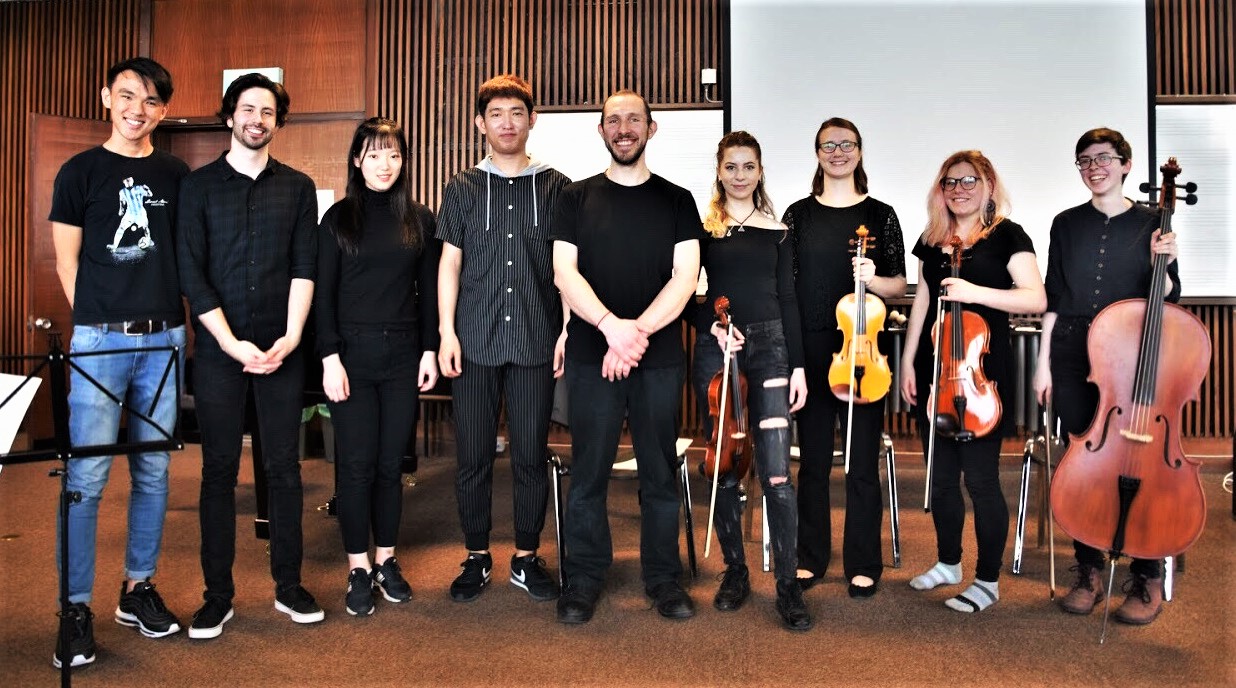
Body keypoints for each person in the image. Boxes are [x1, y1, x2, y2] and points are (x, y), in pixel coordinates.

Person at [49, 56, 189, 669]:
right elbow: (67, 263)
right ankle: (74, 607)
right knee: (87, 479)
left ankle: (138, 588)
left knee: (154, 473)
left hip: (164, 341)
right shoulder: (78, 171)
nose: (139, 109)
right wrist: (96, 324)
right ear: (107, 96)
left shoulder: (178, 173)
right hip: (100, 344)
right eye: (128, 96)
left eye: (152, 101)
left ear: (163, 110)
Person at [177, 73, 322, 638]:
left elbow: (304, 267)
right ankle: (219, 595)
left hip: (282, 348)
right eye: (247, 109)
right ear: (229, 115)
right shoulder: (198, 186)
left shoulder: (299, 186)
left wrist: (290, 337)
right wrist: (230, 343)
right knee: (217, 471)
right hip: (219, 351)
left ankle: (289, 585)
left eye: (267, 111)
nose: (256, 119)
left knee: (284, 469)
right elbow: (193, 271)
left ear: (277, 121)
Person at [550, 89, 701, 624]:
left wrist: (634, 334)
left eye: (634, 118)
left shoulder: (678, 200)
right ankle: (585, 577)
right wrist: (611, 328)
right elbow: (564, 271)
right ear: (601, 132)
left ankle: (663, 579)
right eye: (613, 120)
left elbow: (686, 278)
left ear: (651, 129)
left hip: (656, 360)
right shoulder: (574, 198)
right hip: (594, 356)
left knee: (659, 473)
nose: (624, 128)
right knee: (588, 471)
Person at [1034, 127, 1180, 625]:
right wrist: (1042, 363)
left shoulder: (1152, 224)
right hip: (1073, 352)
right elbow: (1053, 296)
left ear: (1125, 165)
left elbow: (1168, 300)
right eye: (1084, 160)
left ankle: (1147, 570)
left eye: (1104, 158)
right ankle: (1089, 569)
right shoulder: (1065, 223)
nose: (1094, 166)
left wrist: (1168, 261)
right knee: (1085, 460)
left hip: (1130, 357)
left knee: (1139, 462)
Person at [436, 75, 570, 604]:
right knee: (471, 454)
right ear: (480, 123)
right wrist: (447, 331)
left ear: (532, 119)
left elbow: (567, 267)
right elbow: (449, 262)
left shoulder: (558, 186)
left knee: (531, 455)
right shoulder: (462, 187)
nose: (507, 122)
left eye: (517, 112)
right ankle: (475, 555)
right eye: (496, 114)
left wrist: (565, 329)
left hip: (537, 339)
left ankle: (525, 556)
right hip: (473, 341)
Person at [899, 150, 1045, 613]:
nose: (959, 189)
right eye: (950, 182)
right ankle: (948, 563)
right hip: (935, 370)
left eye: (969, 181)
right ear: (940, 190)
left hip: (981, 376)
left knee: (980, 480)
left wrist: (973, 292)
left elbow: (1036, 297)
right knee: (940, 480)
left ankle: (987, 579)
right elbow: (922, 300)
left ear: (988, 185)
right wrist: (907, 361)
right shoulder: (932, 238)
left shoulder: (1007, 236)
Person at [315, 117, 440, 616]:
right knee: (356, 466)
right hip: (350, 355)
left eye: (392, 155)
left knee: (391, 465)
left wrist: (429, 349)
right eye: (373, 155)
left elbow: (430, 292)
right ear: (356, 160)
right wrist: (328, 358)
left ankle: (386, 560)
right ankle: (357, 567)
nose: (384, 164)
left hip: (404, 354)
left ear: (403, 161)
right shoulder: (338, 219)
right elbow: (322, 295)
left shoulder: (419, 219)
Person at [689, 131, 812, 631]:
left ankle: (787, 582)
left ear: (760, 172)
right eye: (731, 166)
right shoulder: (703, 231)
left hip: (772, 349)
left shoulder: (779, 231)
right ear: (719, 171)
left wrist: (798, 366)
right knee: (724, 467)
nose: (740, 175)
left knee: (778, 474)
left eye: (749, 166)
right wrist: (713, 329)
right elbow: (690, 299)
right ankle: (735, 571)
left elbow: (788, 301)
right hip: (717, 348)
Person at [781, 118, 906, 597]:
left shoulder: (881, 215)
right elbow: (788, 289)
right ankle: (811, 557)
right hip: (812, 350)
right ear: (817, 153)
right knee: (812, 460)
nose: (837, 151)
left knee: (861, 461)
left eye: (846, 144)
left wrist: (873, 278)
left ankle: (863, 562)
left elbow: (898, 285)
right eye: (828, 145)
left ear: (859, 151)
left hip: (862, 349)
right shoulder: (798, 215)